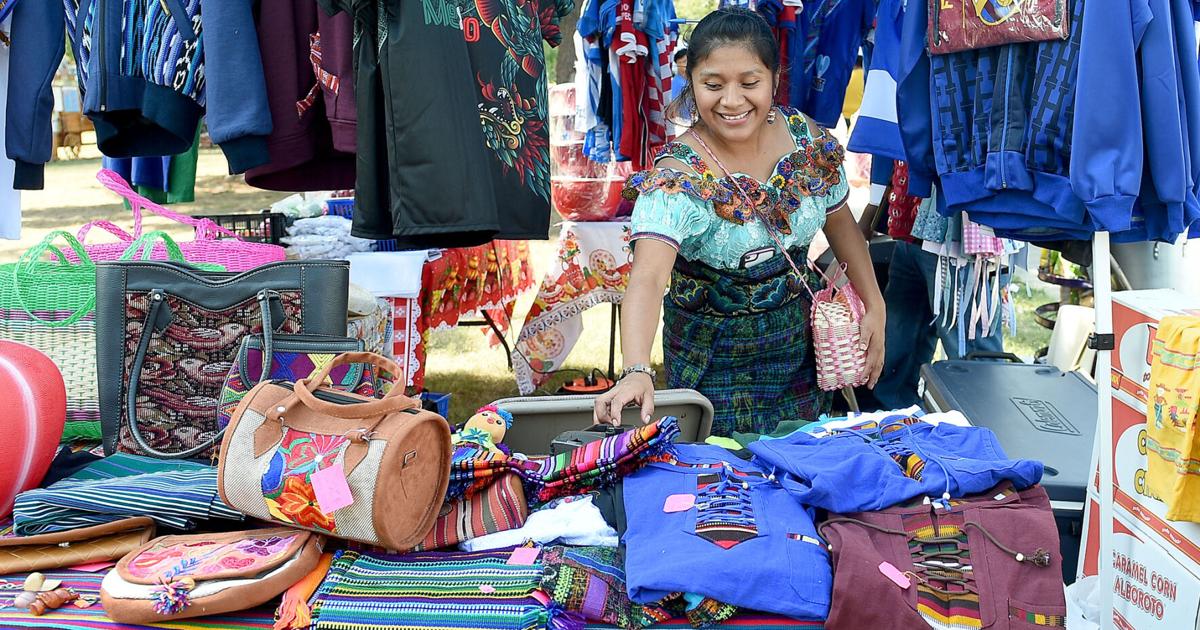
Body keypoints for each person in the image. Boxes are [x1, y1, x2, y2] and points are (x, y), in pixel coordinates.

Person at [594, 8, 885, 437]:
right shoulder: (678, 176)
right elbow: (649, 278)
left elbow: (842, 227)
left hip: (799, 358)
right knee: (724, 470)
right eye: (713, 85)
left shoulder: (805, 140)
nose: (731, 101)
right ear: (691, 81)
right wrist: (637, 369)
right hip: (710, 365)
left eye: (749, 83)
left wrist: (875, 305)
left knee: (802, 461)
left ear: (774, 79)